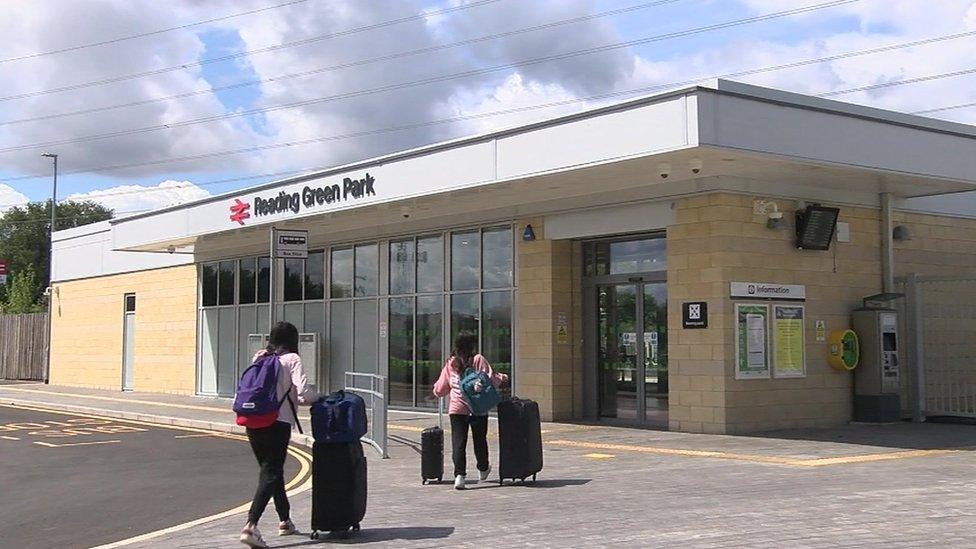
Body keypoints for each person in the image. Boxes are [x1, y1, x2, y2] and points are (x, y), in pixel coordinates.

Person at [240, 322, 320, 549]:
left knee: (271, 471)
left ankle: (285, 520)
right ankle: (250, 526)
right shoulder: (292, 359)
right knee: (271, 471)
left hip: (252, 420)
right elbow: (303, 392)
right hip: (278, 422)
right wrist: (320, 397)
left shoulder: (260, 356)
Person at [433, 333, 508, 490]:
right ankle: (483, 468)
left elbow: (440, 389)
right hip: (478, 408)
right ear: (472, 346)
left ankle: (459, 476)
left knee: (458, 443)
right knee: (480, 440)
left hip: (457, 409)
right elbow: (490, 380)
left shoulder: (451, 363)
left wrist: (436, 391)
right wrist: (502, 378)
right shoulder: (478, 359)